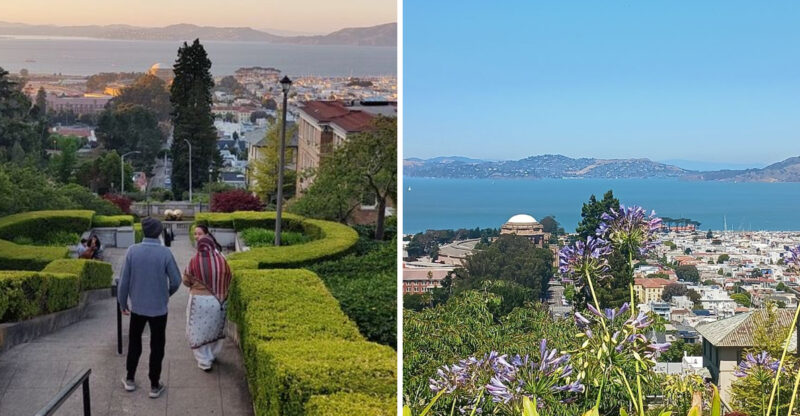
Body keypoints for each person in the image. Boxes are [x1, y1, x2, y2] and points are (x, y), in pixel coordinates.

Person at [117, 217, 181, 398]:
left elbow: (124, 282)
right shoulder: (165, 253)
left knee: (135, 343)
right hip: (159, 309)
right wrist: (165, 294)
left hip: (137, 307)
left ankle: (130, 378)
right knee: (157, 345)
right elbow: (176, 281)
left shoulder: (132, 251)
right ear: (159, 232)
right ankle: (154, 384)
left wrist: (123, 303)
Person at [183, 233, 232, 371]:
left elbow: (186, 281)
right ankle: (212, 354)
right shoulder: (222, 260)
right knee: (215, 329)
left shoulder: (194, 261)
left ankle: (204, 361)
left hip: (198, 301)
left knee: (198, 331)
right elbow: (229, 276)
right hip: (219, 301)